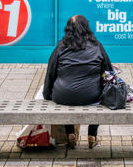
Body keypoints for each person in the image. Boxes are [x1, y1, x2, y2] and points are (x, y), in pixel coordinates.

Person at [43, 15, 113, 149]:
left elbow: (50, 73)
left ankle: (70, 134)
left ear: (68, 29)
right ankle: (92, 135)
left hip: (62, 96)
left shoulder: (60, 47)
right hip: (91, 96)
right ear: (87, 28)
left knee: (68, 95)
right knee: (101, 94)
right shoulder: (97, 46)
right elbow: (109, 72)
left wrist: (47, 95)